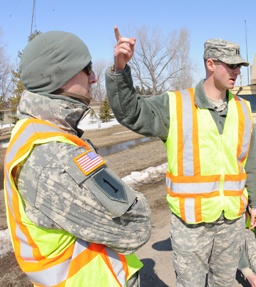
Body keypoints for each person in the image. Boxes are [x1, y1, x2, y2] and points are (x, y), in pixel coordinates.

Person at [105, 26, 256, 286]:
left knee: (223, 283)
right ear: (211, 64)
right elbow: (131, 112)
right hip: (192, 225)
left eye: (240, 66)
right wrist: (120, 71)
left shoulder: (243, 109)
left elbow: (252, 162)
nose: (237, 71)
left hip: (231, 222)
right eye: (232, 65)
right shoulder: (175, 105)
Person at [4, 31, 151, 287]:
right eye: (87, 69)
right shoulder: (54, 157)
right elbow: (135, 227)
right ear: (59, 76)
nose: (94, 77)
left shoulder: (36, 131)